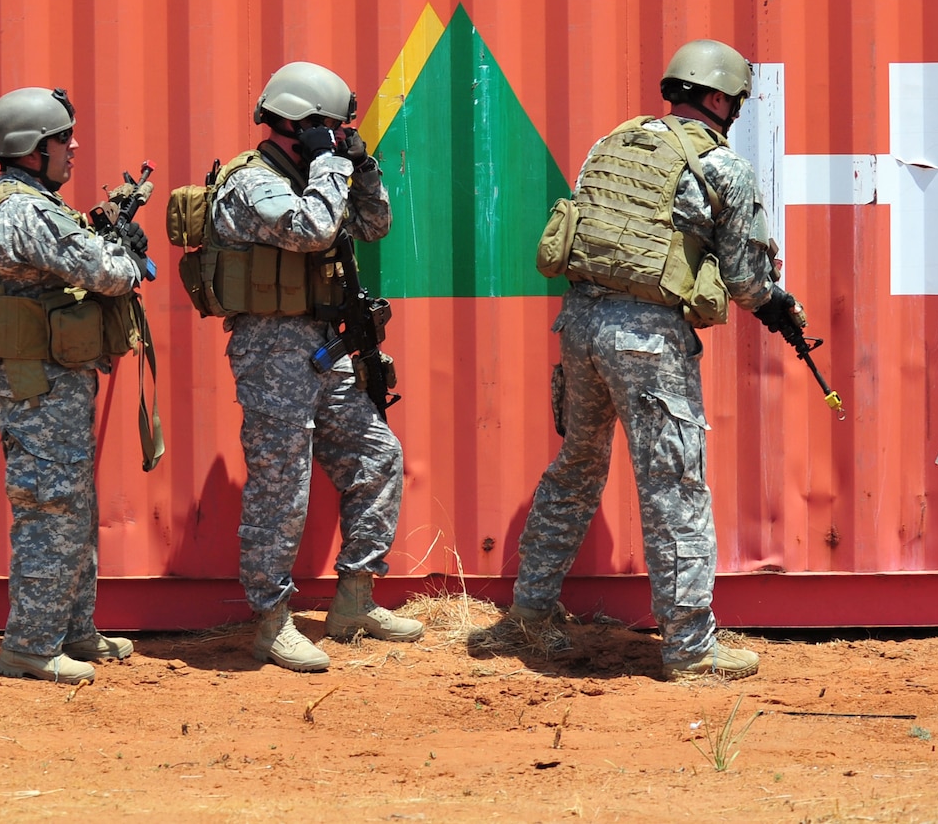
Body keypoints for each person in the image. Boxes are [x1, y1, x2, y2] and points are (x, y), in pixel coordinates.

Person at [473, 39, 799, 680]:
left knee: (577, 466)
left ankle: (530, 615)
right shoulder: (721, 167)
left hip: (581, 324)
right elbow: (746, 278)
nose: (734, 112)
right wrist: (779, 306)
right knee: (674, 486)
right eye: (733, 101)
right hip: (646, 341)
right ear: (713, 97)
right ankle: (690, 648)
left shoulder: (613, 144)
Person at [201, 61, 422, 673]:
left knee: (378, 458)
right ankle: (272, 622)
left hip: (327, 349)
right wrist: (329, 166)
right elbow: (313, 229)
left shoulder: (316, 175)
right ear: (299, 124)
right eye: (330, 126)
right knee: (283, 486)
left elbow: (373, 226)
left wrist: (363, 166)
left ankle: (354, 601)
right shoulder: (253, 184)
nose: (338, 137)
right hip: (273, 353)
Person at [0, 88, 149, 684]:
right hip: (37, 385)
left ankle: (73, 631)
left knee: (73, 503)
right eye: (61, 138)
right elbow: (107, 272)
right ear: (30, 148)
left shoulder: (31, 203)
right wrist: (124, 254)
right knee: (51, 505)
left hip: (50, 381)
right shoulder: (26, 211)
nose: (73, 147)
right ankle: (30, 645)